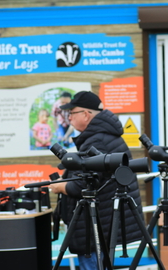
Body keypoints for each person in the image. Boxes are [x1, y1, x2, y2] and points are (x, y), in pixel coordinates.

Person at [50, 91, 143, 269]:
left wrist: (61, 186)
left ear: (86, 114)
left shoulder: (97, 141)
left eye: (71, 113)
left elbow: (84, 185)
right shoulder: (102, 136)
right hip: (101, 226)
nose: (68, 118)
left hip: (96, 229)